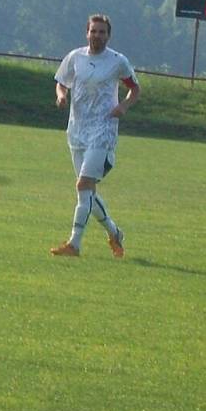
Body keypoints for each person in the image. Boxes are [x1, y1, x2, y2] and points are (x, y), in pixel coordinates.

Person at [50, 13, 140, 257]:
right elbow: (61, 82)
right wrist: (61, 95)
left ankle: (74, 244)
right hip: (77, 129)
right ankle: (114, 232)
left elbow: (135, 89)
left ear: (108, 36)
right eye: (94, 31)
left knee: (83, 184)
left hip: (103, 129)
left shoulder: (117, 61)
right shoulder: (75, 57)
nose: (97, 36)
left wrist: (123, 106)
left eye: (102, 32)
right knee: (87, 192)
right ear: (87, 33)